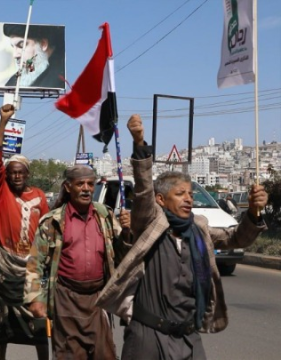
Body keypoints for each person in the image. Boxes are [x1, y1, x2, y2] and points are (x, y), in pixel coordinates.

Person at [96, 114, 269, 359]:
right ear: (161, 200)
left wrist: (252, 212)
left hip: (189, 338)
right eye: (180, 194)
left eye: (190, 193)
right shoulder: (151, 224)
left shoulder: (199, 228)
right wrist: (139, 144)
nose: (189, 198)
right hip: (148, 338)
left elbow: (236, 239)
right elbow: (144, 192)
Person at [25, 165, 132, 359]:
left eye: (90, 184)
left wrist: (126, 233)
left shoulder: (105, 217)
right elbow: (35, 263)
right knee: (69, 355)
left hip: (99, 300)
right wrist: (36, 298)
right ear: (68, 187)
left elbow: (123, 257)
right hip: (66, 300)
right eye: (80, 184)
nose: (86, 188)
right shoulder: (53, 222)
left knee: (104, 354)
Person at [0, 104, 50, 360]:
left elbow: (47, 228)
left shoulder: (38, 196)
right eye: (11, 173)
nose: (15, 176)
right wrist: (3, 122)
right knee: (2, 316)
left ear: (26, 175)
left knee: (39, 314)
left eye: (19, 173)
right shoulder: (1, 192)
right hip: (6, 263)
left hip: (33, 265)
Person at [3, 24, 65, 89]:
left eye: (21, 45)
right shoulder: (11, 83)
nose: (15, 55)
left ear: (43, 44)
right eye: (13, 47)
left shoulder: (62, 79)